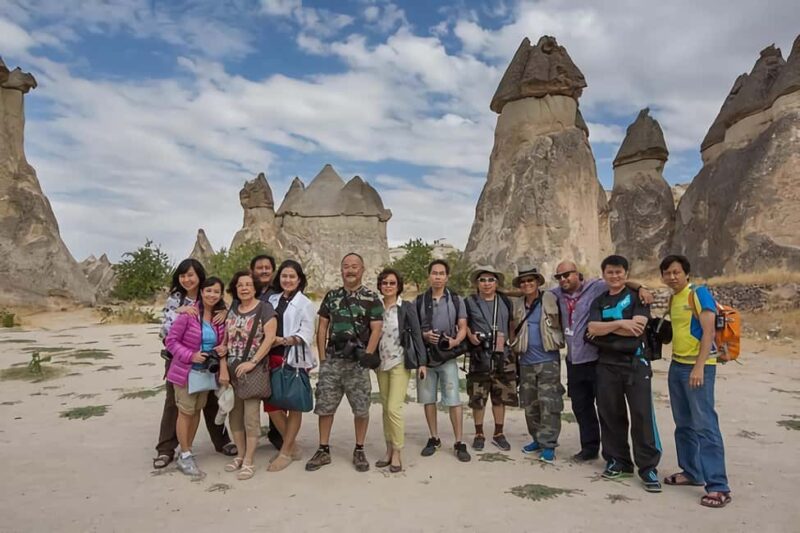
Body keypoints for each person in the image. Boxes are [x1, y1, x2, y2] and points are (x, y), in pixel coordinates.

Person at [551, 260, 652, 462]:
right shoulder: (556, 294)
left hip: (597, 358)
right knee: (581, 406)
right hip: (574, 359)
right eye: (559, 276)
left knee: (607, 409)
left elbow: (618, 280)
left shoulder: (596, 287)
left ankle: (620, 457)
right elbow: (530, 292)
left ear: (577, 273)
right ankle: (589, 448)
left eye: (567, 274)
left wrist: (641, 287)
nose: (563, 279)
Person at [660, 254, 731, 508]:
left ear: (686, 273)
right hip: (677, 365)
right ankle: (691, 472)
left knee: (705, 424)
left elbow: (709, 331)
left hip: (698, 367)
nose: (672, 277)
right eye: (667, 273)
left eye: (676, 272)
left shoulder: (698, 294)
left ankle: (718, 487)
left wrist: (699, 366)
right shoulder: (674, 297)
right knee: (683, 423)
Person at [587, 255, 662, 493]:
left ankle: (648, 467)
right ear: (603, 275)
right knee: (610, 413)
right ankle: (618, 461)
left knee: (641, 415)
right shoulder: (599, 301)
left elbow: (637, 328)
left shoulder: (637, 297)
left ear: (626, 274)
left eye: (619, 272)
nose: (614, 276)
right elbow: (592, 328)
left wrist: (607, 328)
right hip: (607, 364)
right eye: (610, 272)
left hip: (635, 364)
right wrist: (621, 324)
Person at [152, 259, 234, 470]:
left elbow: (227, 320)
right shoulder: (177, 300)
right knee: (176, 404)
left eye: (191, 275)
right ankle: (167, 449)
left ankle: (221, 441)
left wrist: (225, 312)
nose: (187, 279)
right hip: (180, 360)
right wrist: (186, 352)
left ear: (200, 276)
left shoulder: (211, 296)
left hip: (207, 363)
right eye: (183, 275)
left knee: (209, 402)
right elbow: (168, 332)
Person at [306, 253, 383, 473]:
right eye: (346, 266)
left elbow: (377, 328)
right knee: (325, 407)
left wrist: (368, 355)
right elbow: (322, 327)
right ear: (341, 270)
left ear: (362, 269)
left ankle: (359, 449)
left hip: (358, 362)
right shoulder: (332, 296)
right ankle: (323, 449)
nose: (350, 270)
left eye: (354, 266)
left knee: (361, 408)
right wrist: (322, 358)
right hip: (333, 360)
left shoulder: (371, 298)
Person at [164, 277, 228, 476]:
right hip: (186, 372)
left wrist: (222, 348)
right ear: (201, 292)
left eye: (216, 291)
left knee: (196, 411)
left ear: (221, 294)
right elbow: (171, 341)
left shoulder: (219, 318)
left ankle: (187, 450)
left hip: (206, 373)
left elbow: (225, 339)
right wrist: (190, 355)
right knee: (185, 412)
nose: (212, 295)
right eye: (208, 290)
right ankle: (184, 455)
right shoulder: (189, 314)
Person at [223, 271, 278, 480]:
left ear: (255, 288)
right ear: (235, 289)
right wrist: (223, 359)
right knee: (234, 416)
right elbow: (226, 338)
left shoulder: (265, 308)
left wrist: (252, 362)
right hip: (232, 370)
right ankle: (240, 454)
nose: (244, 288)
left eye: (248, 284)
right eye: (240, 285)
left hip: (253, 371)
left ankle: (249, 460)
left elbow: (269, 338)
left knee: (251, 418)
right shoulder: (233, 309)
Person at [264, 260, 317, 472]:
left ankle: (285, 452)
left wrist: (282, 340)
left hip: (293, 358)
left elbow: (306, 333)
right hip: (270, 358)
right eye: (284, 276)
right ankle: (292, 447)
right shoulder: (272, 299)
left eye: (292, 276)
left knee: (293, 403)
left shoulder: (305, 303)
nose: (287, 280)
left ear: (299, 279)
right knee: (272, 405)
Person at [416, 259, 471, 462]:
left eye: (441, 273)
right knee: (428, 399)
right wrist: (425, 336)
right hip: (426, 357)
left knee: (454, 399)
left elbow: (463, 326)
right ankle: (434, 438)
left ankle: (459, 441)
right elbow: (414, 329)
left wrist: (455, 341)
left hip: (447, 357)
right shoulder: (420, 301)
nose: (437, 277)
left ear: (447, 277)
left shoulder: (456, 300)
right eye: (434, 273)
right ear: (429, 276)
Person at [510, 266, 565, 464]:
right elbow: (512, 326)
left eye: (530, 281)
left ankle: (548, 444)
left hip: (548, 360)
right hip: (525, 361)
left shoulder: (551, 297)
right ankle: (537, 438)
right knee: (530, 404)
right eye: (523, 282)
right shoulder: (517, 304)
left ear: (538, 282)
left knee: (549, 403)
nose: (527, 284)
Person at [374, 268, 425, 473]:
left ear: (398, 286)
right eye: (385, 283)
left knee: (394, 408)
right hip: (380, 364)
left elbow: (417, 335)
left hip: (400, 362)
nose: (388, 286)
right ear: (380, 286)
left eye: (392, 283)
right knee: (385, 408)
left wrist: (422, 362)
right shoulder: (376, 307)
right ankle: (388, 449)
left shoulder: (406, 307)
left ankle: (397, 451)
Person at [464, 266, 516, 452]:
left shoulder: (505, 301)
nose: (487, 284)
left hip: (503, 355)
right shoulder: (469, 302)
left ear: (497, 283)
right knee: (478, 396)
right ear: (477, 283)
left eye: (491, 280)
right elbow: (462, 323)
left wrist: (510, 342)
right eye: (483, 280)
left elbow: (512, 323)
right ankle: (479, 433)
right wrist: (470, 336)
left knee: (500, 396)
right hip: (480, 355)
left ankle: (498, 433)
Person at [250, 253, 284, 452]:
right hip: (250, 353)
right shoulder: (247, 290)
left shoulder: (280, 292)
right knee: (250, 397)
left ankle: (277, 434)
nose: (263, 271)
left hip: (274, 350)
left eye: (267, 268)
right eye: (259, 267)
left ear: (273, 270)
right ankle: (250, 436)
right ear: (252, 271)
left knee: (276, 397)